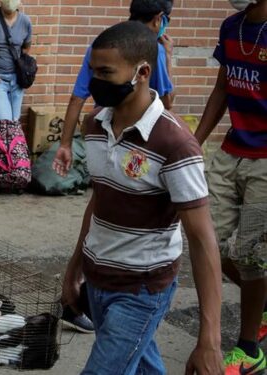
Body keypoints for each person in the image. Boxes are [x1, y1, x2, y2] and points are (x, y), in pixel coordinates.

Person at [62, 21, 223, 375]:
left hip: (141, 290)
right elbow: (99, 201)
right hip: (98, 279)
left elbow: (202, 237)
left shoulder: (175, 145)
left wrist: (209, 338)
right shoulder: (94, 127)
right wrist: (74, 267)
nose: (95, 83)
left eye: (105, 72)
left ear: (143, 72)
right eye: (92, 72)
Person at [194, 0, 267, 373]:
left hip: (265, 165)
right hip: (230, 153)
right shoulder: (231, 27)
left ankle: (250, 349)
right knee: (209, 244)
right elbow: (222, 88)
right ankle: (263, 299)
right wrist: (195, 143)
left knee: (252, 253)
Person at [53, 0, 175, 178]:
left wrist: (65, 145)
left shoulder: (103, 46)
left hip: (103, 131)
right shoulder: (156, 51)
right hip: (139, 138)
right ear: (159, 19)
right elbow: (168, 101)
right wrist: (169, 57)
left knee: (105, 185)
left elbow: (76, 99)